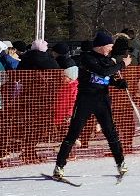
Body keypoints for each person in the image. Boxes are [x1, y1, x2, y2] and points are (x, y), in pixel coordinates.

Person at [52, 31, 126, 181]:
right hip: (86, 100)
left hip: (102, 100)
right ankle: (59, 166)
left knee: (110, 132)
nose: (111, 49)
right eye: (109, 46)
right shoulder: (87, 58)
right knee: (74, 132)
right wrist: (122, 64)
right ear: (101, 46)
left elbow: (105, 78)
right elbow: (102, 71)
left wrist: (118, 84)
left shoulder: (105, 59)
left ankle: (121, 163)